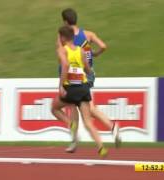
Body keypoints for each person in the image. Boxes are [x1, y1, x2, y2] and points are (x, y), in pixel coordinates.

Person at [56, 8, 121, 153]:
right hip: (88, 73)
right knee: (83, 107)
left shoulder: (64, 37)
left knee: (78, 107)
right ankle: (78, 140)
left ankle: (79, 138)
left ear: (65, 22)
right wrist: (95, 54)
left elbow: (62, 55)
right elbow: (103, 46)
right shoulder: (88, 34)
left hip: (71, 75)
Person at [51, 25, 108, 157]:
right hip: (83, 87)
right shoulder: (80, 50)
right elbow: (88, 69)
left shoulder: (62, 50)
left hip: (70, 88)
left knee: (54, 108)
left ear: (63, 38)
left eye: (59, 37)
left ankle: (70, 124)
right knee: (88, 121)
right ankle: (101, 147)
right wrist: (85, 72)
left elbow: (65, 65)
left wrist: (61, 86)